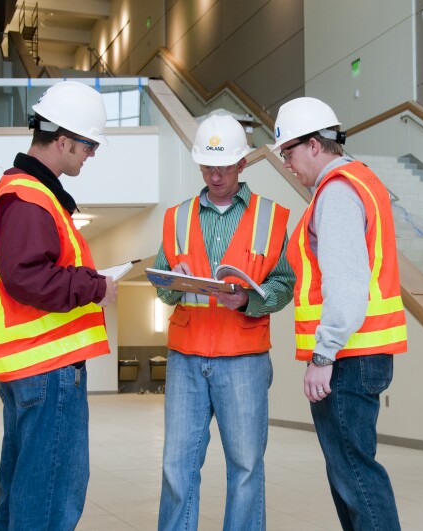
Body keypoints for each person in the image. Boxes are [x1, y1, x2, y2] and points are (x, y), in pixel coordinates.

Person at [0, 81, 118, 531]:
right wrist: (95, 286)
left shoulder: (24, 193)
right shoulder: (29, 198)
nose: (91, 154)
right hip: (48, 369)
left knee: (23, 493)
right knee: (49, 497)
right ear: (63, 140)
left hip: (30, 368)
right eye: (88, 145)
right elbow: (27, 276)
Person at [271, 97, 407, 530]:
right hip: (360, 355)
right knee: (350, 474)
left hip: (348, 358)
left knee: (356, 478)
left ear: (314, 145)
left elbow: (346, 286)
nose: (287, 163)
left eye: (288, 152)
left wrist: (322, 355)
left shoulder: (338, 192)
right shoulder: (359, 182)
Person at [153, 114, 294, 530]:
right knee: (177, 467)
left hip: (244, 359)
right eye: (207, 167)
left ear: (243, 165)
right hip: (185, 357)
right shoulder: (176, 217)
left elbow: (284, 285)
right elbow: (162, 281)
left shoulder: (272, 217)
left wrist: (249, 298)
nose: (215, 176)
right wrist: (172, 284)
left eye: (224, 167)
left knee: (247, 468)